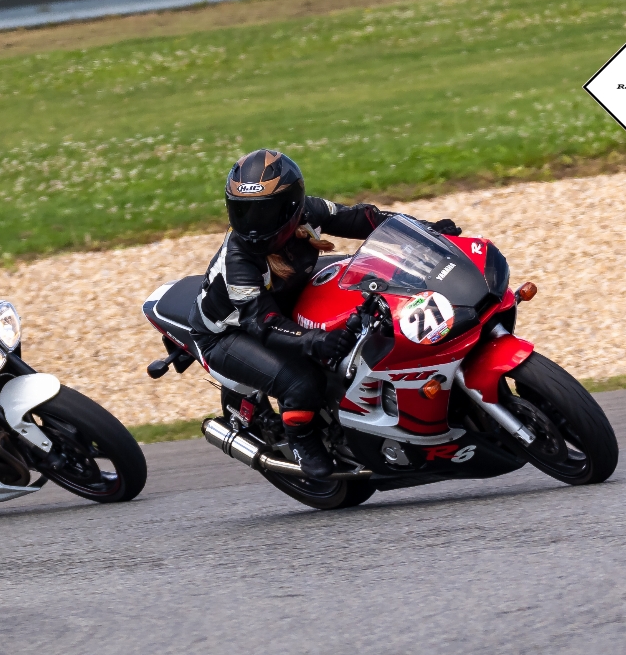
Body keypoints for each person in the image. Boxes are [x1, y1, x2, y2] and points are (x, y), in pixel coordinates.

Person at [189, 149, 461, 479]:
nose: (253, 226)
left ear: (292, 205)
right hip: (229, 333)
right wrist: (316, 340)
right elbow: (263, 323)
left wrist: (425, 232)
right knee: (303, 381)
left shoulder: (309, 212)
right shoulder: (239, 262)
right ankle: (302, 440)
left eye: (264, 212)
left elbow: (364, 218)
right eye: (243, 212)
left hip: (286, 298)